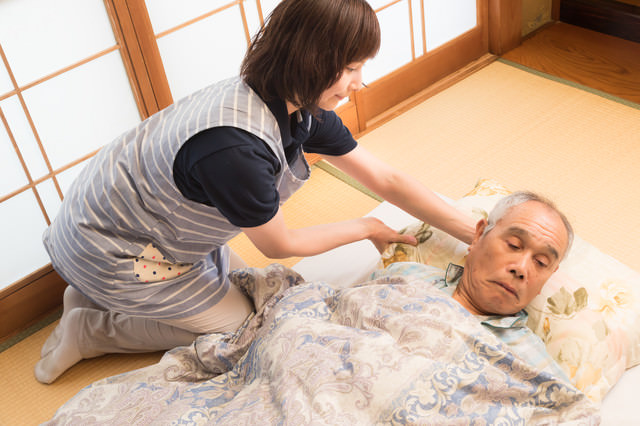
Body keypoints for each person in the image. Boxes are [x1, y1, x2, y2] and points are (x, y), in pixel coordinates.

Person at [35, 0, 475, 384]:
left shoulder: (292, 102)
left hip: (118, 223)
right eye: (353, 68)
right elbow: (281, 244)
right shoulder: (236, 147)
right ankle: (90, 332)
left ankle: (83, 295)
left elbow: (387, 180)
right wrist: (365, 226)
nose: (361, 82)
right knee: (243, 327)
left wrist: (472, 230)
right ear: (311, 58)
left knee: (250, 287)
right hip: (117, 251)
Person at [375, 191, 574, 380]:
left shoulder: (536, 368)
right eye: (513, 245)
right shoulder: (405, 276)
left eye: (540, 262)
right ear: (479, 235)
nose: (521, 269)